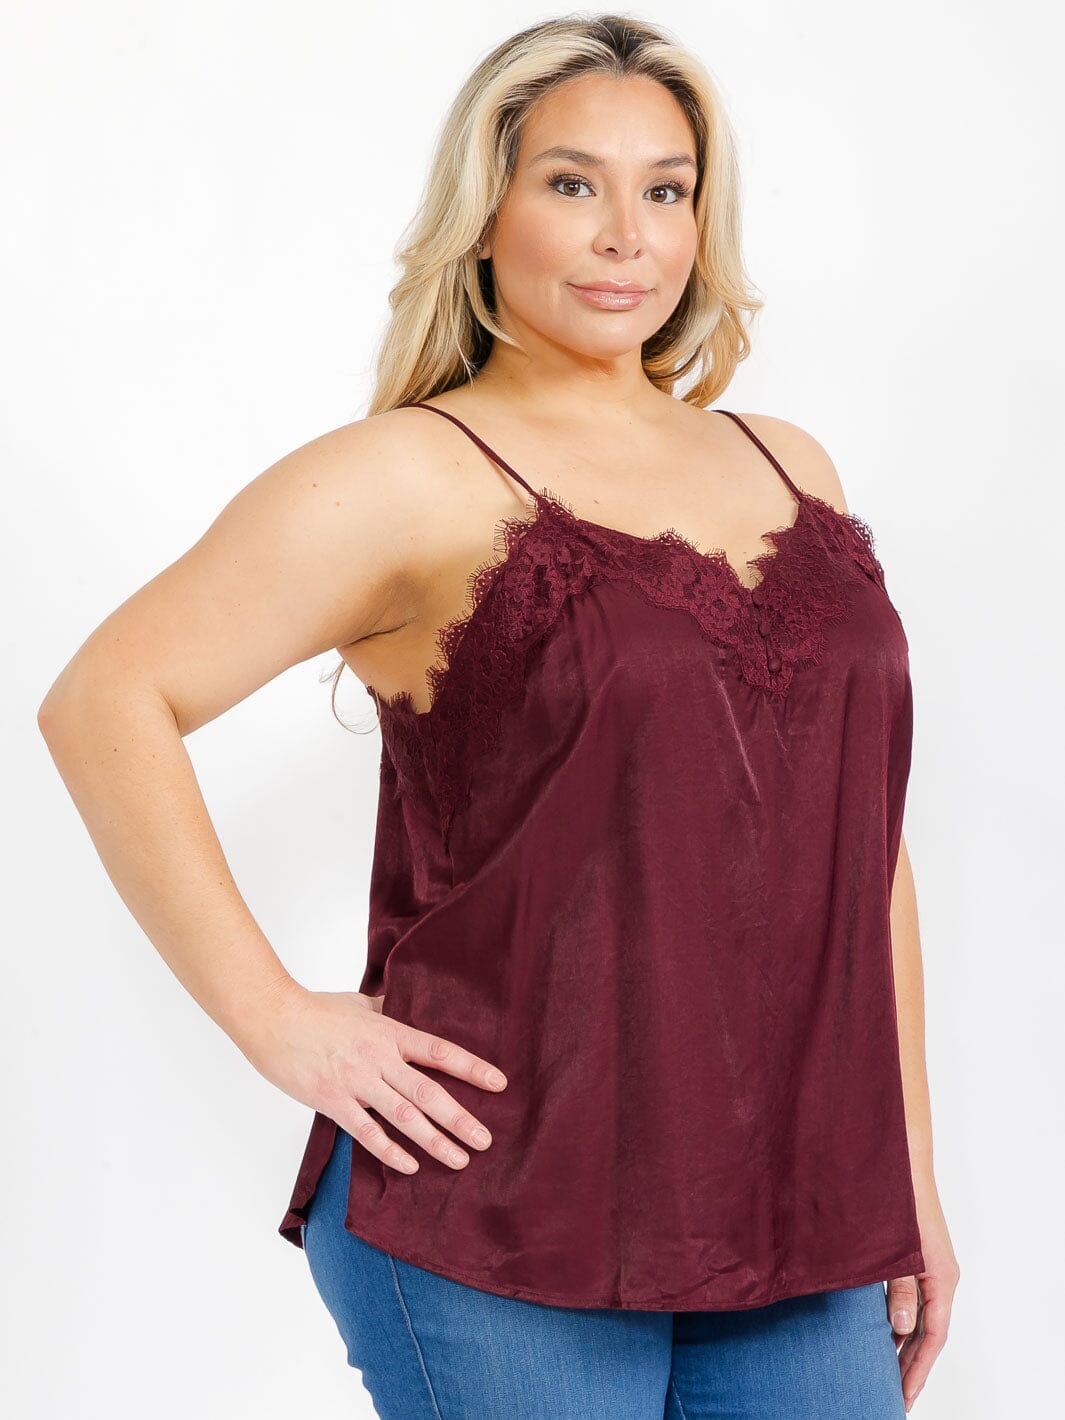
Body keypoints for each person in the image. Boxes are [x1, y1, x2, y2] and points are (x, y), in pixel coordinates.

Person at [37, 13, 959, 1419]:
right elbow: (106, 697)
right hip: (495, 1208)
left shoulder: (791, 465)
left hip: (800, 1223)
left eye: (666, 189)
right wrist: (276, 1021)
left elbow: (859, 849)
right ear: (484, 214)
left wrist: (908, 1182)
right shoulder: (410, 474)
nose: (625, 234)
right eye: (572, 183)